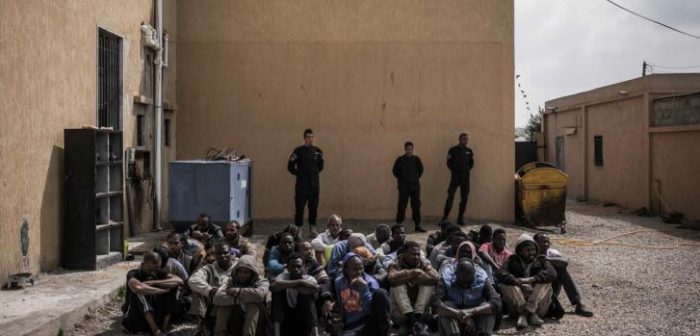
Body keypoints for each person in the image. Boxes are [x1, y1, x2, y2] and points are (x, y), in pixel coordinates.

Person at [496, 233, 557, 329]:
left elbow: (552, 273)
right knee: (506, 284)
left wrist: (531, 279)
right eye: (528, 250)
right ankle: (527, 314)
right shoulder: (512, 260)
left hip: (538, 307)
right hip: (516, 307)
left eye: (533, 249)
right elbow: (500, 273)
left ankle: (527, 313)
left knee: (546, 282)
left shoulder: (541, 260)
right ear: (520, 251)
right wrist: (517, 282)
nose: (531, 252)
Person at [432, 260, 501, 336]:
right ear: (456, 274)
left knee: (486, 306)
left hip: (476, 320)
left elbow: (496, 302)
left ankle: (483, 334)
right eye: (463, 277)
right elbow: (435, 303)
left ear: (474, 274)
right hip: (455, 320)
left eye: (469, 277)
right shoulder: (446, 280)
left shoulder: (482, 279)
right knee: (447, 304)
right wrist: (458, 313)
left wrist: (471, 312)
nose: (466, 280)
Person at [122, 251, 184, 335]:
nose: (153, 273)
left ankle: (164, 328)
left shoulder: (158, 272)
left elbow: (179, 281)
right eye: (150, 270)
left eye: (155, 270)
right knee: (140, 293)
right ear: (142, 264)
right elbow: (138, 288)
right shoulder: (133, 274)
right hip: (134, 318)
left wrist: (155, 282)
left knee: (171, 287)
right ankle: (155, 330)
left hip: (155, 313)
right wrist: (161, 291)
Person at [533, 233, 593, 317]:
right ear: (535, 243)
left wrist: (546, 260)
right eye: (543, 242)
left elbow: (564, 263)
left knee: (561, 269)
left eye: (547, 242)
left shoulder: (552, 253)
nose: (546, 244)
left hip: (551, 289)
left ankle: (578, 303)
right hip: (535, 291)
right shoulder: (530, 252)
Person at [332, 253, 391, 336]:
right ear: (346, 270)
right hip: (352, 326)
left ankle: (385, 331)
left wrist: (363, 288)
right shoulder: (339, 282)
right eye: (355, 269)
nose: (359, 272)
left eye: (361, 268)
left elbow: (370, 310)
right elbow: (341, 305)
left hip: (369, 322)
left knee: (381, 293)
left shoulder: (370, 282)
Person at [387, 241, 439, 335]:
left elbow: (435, 277)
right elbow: (391, 278)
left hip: (419, 307)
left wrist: (420, 278)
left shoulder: (423, 263)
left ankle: (416, 318)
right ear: (404, 253)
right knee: (397, 286)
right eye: (413, 254)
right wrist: (412, 273)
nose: (416, 257)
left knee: (428, 284)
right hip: (401, 311)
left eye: (418, 254)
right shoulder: (395, 263)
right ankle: (413, 320)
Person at [213, 255, 270, 336]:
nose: (242, 275)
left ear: (252, 272)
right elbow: (217, 298)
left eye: (246, 272)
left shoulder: (262, 281)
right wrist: (238, 300)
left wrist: (238, 291)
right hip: (236, 316)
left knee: (252, 305)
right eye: (240, 272)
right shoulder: (231, 281)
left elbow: (260, 295)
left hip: (257, 319)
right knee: (223, 307)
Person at [188, 242, 236, 331]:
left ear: (231, 253)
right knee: (197, 290)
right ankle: (201, 325)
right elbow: (192, 280)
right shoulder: (210, 267)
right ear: (215, 255)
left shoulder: (239, 265)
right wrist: (210, 291)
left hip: (235, 300)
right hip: (215, 300)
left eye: (225, 253)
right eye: (219, 253)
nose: (222, 256)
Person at [271, 253, 321, 336]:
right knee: (278, 294)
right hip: (286, 318)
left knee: (306, 298)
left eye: (299, 266)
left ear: (303, 266)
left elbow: (309, 291)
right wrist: (300, 282)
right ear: (288, 268)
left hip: (304, 319)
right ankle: (276, 333)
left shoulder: (309, 278)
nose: (296, 269)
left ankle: (316, 333)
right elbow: (275, 286)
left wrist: (287, 285)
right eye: (293, 267)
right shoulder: (283, 276)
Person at [287, 128, 324, 238]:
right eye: (308, 137)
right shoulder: (298, 151)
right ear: (304, 138)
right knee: (300, 207)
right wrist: (299, 174)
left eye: (312, 137)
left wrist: (312, 175)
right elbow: (290, 167)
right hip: (301, 186)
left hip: (314, 185)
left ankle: (312, 228)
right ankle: (299, 229)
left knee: (313, 207)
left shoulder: (318, 151)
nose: (310, 139)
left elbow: (321, 167)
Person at [442, 133, 475, 226]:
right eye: (464, 139)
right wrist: (455, 170)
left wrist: (465, 170)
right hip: (455, 178)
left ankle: (460, 218)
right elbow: (448, 163)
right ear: (459, 139)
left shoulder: (469, 151)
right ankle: (445, 218)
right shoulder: (453, 150)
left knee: (464, 199)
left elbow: (471, 164)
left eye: (467, 139)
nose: (465, 141)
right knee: (450, 197)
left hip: (465, 178)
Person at [393, 141, 426, 233]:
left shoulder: (416, 159)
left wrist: (414, 179)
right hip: (404, 187)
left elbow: (421, 170)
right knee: (401, 206)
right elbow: (395, 171)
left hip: (415, 187)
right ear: (405, 149)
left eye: (411, 149)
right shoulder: (400, 160)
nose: (409, 151)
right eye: (407, 149)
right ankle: (398, 225)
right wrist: (402, 179)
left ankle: (417, 225)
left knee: (416, 206)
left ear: (413, 149)